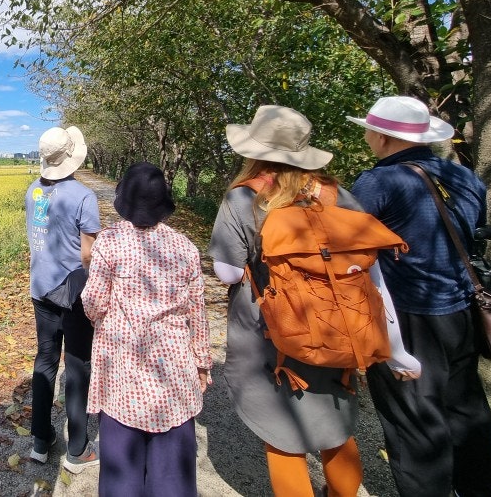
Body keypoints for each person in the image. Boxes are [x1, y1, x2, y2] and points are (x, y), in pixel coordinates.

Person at [209, 105, 420, 497]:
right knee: (335, 426)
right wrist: (395, 346)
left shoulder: (244, 198)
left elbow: (228, 272)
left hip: (271, 330)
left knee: (283, 434)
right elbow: (368, 266)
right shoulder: (336, 193)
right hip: (340, 320)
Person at [348, 95, 491, 497]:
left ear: (381, 137)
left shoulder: (377, 182)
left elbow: (345, 248)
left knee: (413, 421)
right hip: (464, 310)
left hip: (407, 317)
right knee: (466, 410)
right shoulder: (466, 178)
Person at [82, 162, 211, 496]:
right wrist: (202, 363)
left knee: (121, 475)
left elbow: (93, 303)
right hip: (174, 375)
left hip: (121, 371)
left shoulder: (108, 243)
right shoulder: (185, 248)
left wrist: (107, 320)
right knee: (173, 480)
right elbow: (197, 313)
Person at [26, 125, 101, 473]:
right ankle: (77, 449)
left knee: (45, 359)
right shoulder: (83, 196)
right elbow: (88, 255)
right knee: (76, 364)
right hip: (72, 293)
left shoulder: (33, 191)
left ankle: (41, 441)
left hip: (41, 288)